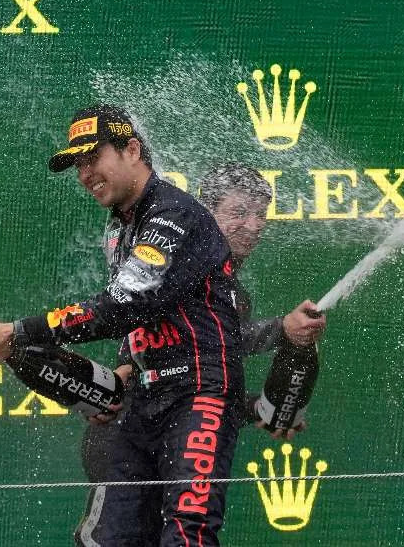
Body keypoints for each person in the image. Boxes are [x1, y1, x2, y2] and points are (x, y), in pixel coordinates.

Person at [0, 104, 246, 546]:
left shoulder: (170, 214)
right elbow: (146, 312)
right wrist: (126, 364)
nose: (84, 174)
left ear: (133, 150)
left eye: (92, 158)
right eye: (77, 164)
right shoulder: (119, 228)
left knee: (186, 531)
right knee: (109, 536)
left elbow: (122, 305)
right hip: (143, 396)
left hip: (200, 393)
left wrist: (18, 331)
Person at [75, 162, 327, 546]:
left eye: (261, 214)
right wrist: (282, 329)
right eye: (240, 212)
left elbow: (198, 369)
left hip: (167, 431)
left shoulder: (228, 288)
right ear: (206, 211)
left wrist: (256, 407)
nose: (255, 224)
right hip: (126, 436)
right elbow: (182, 350)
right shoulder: (178, 259)